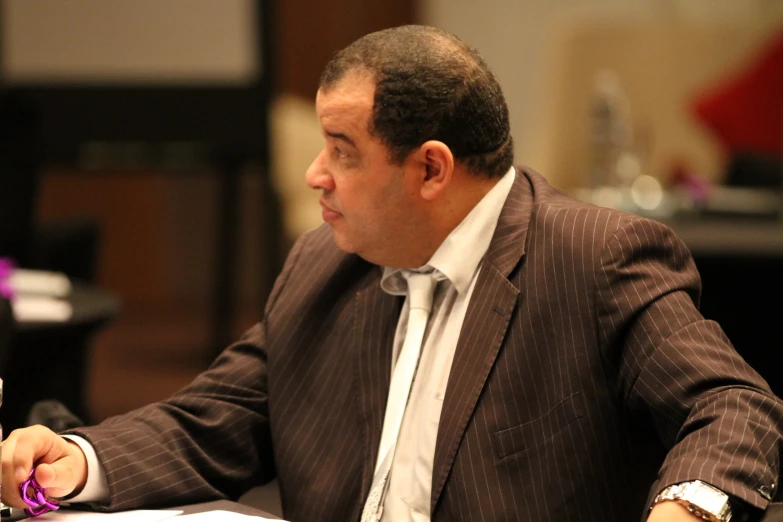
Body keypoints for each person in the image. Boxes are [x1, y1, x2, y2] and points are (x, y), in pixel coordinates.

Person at [2, 25, 782, 522]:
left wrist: (687, 511)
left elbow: (731, 403)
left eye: (341, 149)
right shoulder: (322, 265)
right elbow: (218, 419)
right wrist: (83, 460)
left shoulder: (594, 258)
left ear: (431, 170)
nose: (314, 175)